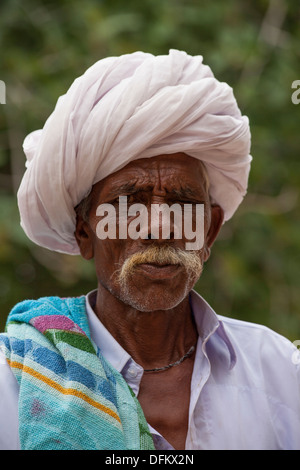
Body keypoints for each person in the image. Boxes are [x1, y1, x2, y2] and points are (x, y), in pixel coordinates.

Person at [0, 50, 299, 451]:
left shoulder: (279, 370)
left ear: (208, 233)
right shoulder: (14, 379)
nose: (160, 226)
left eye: (182, 202)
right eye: (129, 201)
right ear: (84, 232)